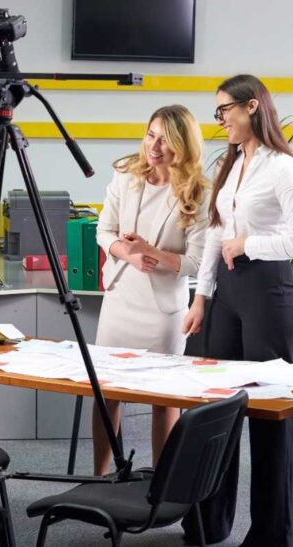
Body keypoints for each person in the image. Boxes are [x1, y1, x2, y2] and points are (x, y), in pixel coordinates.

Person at [181, 74, 293, 546]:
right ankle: (209, 522)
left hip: (269, 291)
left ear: (252, 106)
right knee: (218, 408)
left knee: (272, 414)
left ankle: (271, 535)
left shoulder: (283, 167)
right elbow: (216, 233)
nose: (220, 121)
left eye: (225, 111)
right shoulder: (232, 164)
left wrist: (249, 243)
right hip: (229, 295)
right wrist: (202, 297)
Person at [92, 105, 209, 476]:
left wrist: (152, 253)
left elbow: (196, 262)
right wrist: (127, 251)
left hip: (163, 311)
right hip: (120, 298)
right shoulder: (125, 175)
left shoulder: (198, 192)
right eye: (151, 135)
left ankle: (162, 483)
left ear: (184, 145)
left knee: (164, 398)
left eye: (166, 139)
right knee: (107, 393)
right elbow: (104, 231)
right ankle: (99, 475)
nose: (155, 147)